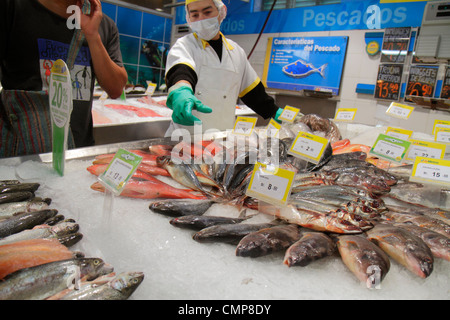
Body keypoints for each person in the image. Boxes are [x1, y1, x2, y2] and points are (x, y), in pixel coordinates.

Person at [0, 0, 127, 157]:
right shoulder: (13, 7)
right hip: (21, 153)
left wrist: (93, 35)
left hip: (77, 152)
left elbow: (116, 88)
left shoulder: (103, 23)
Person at [165, 0, 282, 135]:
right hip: (186, 138)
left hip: (222, 139)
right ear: (188, 18)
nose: (201, 19)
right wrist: (182, 90)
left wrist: (276, 112)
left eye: (207, 12)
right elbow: (182, 71)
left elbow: (253, 93)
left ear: (221, 12)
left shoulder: (236, 52)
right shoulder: (184, 45)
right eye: (195, 15)